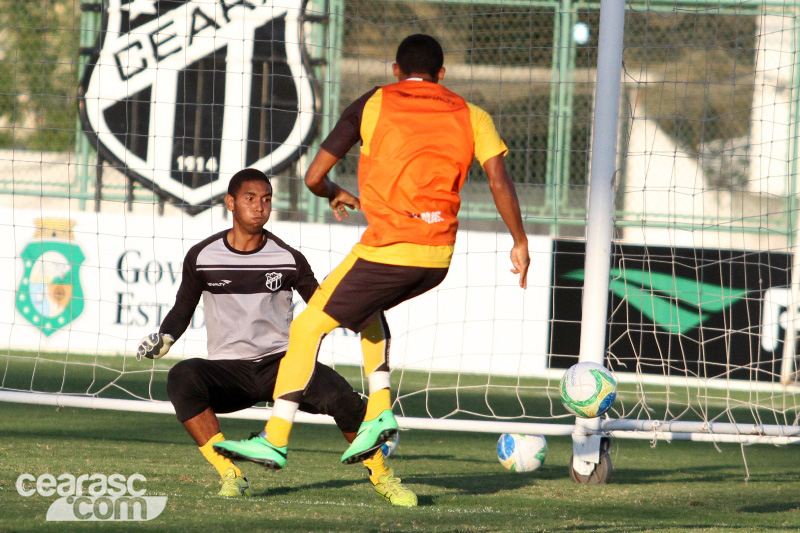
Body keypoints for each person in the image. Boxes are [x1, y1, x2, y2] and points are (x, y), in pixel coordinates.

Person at [214, 34, 530, 472]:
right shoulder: (472, 114)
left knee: (306, 329)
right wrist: (519, 240)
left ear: (396, 71)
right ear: (441, 74)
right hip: (437, 258)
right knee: (366, 312)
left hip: (388, 251)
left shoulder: (373, 102)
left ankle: (275, 438)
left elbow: (314, 176)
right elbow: (499, 180)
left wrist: (334, 192)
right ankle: (379, 410)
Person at [136, 168, 417, 506]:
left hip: (284, 367)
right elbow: (183, 307)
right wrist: (165, 337)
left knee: (344, 398)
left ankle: (383, 476)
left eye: (266, 200)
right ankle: (231, 475)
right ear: (230, 202)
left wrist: (359, 305)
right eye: (250, 199)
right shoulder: (202, 256)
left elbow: (321, 305)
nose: (259, 207)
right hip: (230, 370)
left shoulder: (288, 258)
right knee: (182, 377)